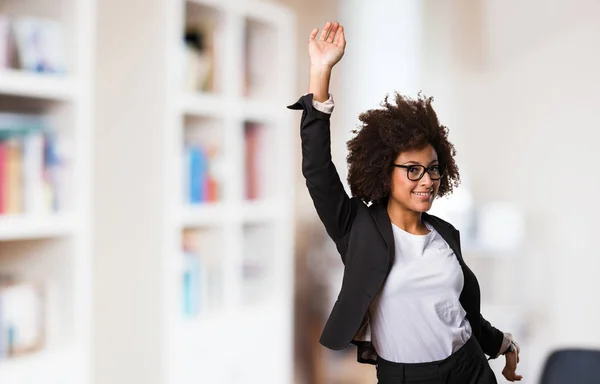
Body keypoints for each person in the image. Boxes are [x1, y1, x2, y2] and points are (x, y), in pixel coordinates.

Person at [288, 21, 523, 384]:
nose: (427, 180)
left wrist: (505, 344)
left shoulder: (445, 234)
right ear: (384, 170)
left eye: (432, 169)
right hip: (405, 377)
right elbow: (317, 170)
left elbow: (460, 315)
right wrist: (320, 74)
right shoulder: (358, 228)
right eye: (412, 170)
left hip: (470, 369)